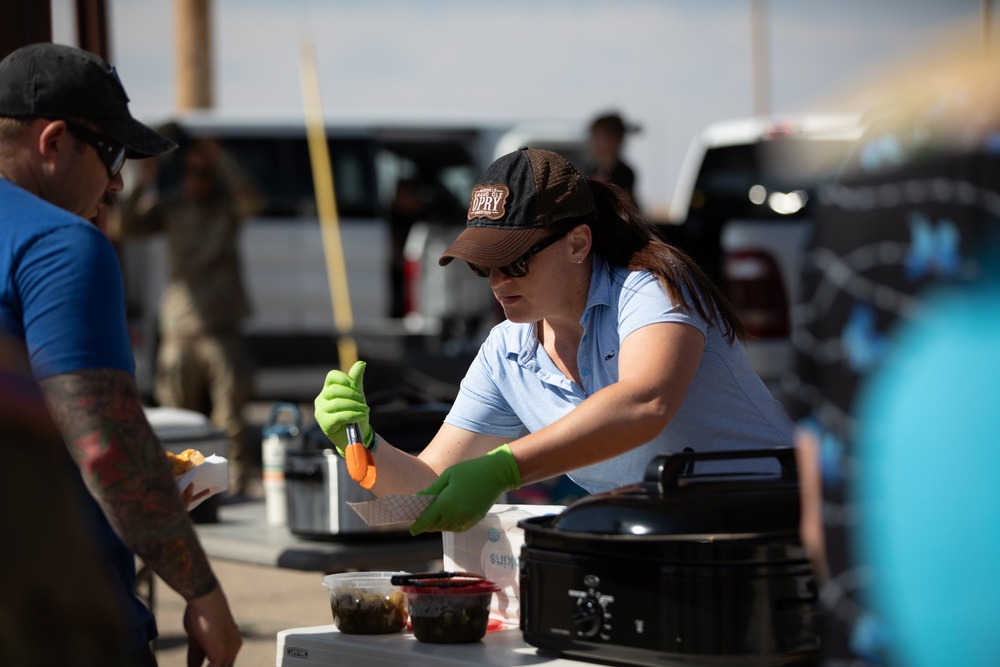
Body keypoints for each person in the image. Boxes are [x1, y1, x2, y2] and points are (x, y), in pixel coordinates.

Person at [315, 147, 793, 535]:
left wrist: (506, 468)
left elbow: (645, 402)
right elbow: (426, 495)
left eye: (516, 260)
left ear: (578, 243)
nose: (498, 281)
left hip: (771, 523)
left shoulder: (650, 287)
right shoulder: (506, 353)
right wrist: (362, 443)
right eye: (484, 265)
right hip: (666, 539)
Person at [0, 43, 241, 665]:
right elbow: (106, 449)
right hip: (52, 626)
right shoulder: (59, 244)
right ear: (53, 141)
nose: (116, 180)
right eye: (110, 153)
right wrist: (203, 593)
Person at [113, 134, 261, 497]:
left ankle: (234, 490)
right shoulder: (172, 207)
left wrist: (221, 157)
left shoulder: (226, 207)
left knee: (231, 421)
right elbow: (123, 226)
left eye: (206, 172)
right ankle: (177, 492)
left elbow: (254, 200)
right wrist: (145, 179)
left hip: (221, 328)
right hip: (180, 329)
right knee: (177, 421)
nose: (199, 179)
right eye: (193, 171)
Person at [585, 112, 637, 204]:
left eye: (601, 135)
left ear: (616, 139)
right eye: (594, 134)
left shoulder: (624, 173)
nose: (594, 139)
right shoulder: (589, 169)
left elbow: (626, 207)